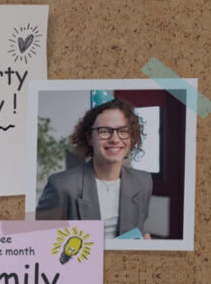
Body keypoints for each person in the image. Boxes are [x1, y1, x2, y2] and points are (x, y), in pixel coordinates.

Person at [35, 98, 153, 239]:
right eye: (104, 131)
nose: (115, 139)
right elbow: (38, 239)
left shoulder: (143, 181)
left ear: (132, 137)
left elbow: (137, 230)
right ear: (89, 138)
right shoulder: (61, 185)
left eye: (123, 131)